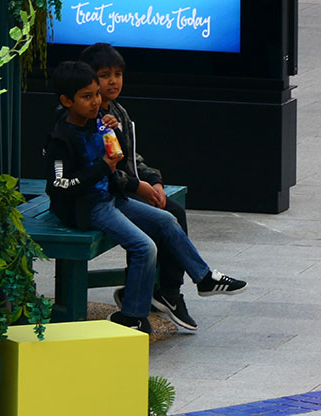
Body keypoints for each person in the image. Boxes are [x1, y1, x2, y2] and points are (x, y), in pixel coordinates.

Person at [44, 61, 247, 334]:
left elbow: (122, 158)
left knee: (167, 219)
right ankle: (133, 315)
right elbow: (59, 185)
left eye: (96, 95)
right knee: (145, 248)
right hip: (88, 208)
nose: (96, 102)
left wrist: (113, 133)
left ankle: (204, 277)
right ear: (66, 101)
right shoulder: (60, 138)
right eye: (87, 96)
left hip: (111, 198)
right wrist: (103, 167)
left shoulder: (98, 123)